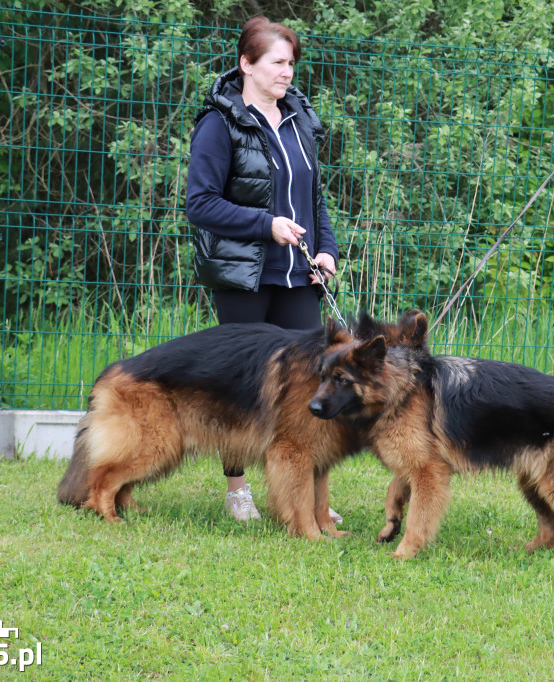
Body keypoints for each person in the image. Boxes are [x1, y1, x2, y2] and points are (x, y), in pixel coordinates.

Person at [186, 16, 342, 523]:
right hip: (244, 276)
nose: (287, 73)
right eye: (278, 62)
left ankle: (309, 496)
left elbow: (314, 199)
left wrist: (326, 250)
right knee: (242, 383)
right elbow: (201, 204)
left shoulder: (300, 120)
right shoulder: (218, 123)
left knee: (306, 387)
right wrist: (265, 224)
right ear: (246, 64)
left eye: (291, 63)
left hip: (298, 275)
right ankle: (237, 489)